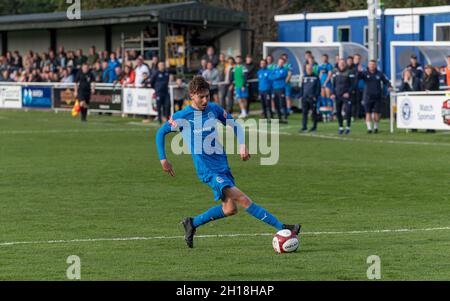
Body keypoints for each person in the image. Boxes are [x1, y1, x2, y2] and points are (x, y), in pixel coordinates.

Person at [155, 76, 301, 249]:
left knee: (229, 209)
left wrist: (242, 145)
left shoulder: (213, 109)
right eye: (201, 97)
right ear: (192, 95)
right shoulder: (182, 116)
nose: (205, 100)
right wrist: (163, 159)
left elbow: (236, 125)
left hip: (222, 166)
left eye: (207, 96)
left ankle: (192, 223)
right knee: (243, 198)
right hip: (208, 171)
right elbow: (160, 133)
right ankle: (282, 227)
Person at [358, 60, 392, 134]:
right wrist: (359, 72)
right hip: (367, 96)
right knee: (368, 113)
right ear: (368, 65)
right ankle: (369, 129)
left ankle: (376, 127)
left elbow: (386, 81)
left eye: (373, 64)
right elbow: (359, 77)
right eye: (370, 64)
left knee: (376, 113)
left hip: (377, 96)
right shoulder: (365, 73)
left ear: (375, 65)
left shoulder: (379, 74)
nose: (372, 66)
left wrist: (389, 86)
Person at [331, 59, 354, 135]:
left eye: (343, 63)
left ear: (345, 64)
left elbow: (353, 84)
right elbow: (333, 84)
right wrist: (333, 93)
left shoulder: (349, 72)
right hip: (338, 95)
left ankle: (348, 127)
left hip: (346, 95)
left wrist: (348, 92)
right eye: (340, 63)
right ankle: (340, 127)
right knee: (338, 111)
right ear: (338, 64)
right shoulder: (335, 72)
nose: (342, 65)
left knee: (348, 111)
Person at [299, 64, 321, 133]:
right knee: (304, 113)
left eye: (310, 69)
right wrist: (301, 95)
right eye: (307, 69)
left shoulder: (316, 77)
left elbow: (318, 88)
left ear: (312, 69)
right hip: (305, 98)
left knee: (314, 113)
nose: (309, 70)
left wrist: (315, 96)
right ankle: (304, 127)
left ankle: (314, 127)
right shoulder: (304, 77)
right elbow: (302, 87)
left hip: (312, 98)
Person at [269, 57, 289, 124]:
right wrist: (275, 76)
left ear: (283, 63)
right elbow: (270, 77)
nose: (280, 63)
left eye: (282, 62)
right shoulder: (275, 69)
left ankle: (285, 116)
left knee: (282, 103)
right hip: (275, 88)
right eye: (279, 62)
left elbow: (279, 76)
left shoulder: (284, 70)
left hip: (281, 88)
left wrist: (275, 76)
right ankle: (279, 117)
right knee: (276, 103)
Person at [318, 54, 334, 122]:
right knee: (323, 98)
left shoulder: (329, 65)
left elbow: (330, 74)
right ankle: (324, 114)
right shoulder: (320, 66)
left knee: (328, 98)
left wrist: (325, 82)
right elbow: (319, 74)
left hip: (327, 83)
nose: (324, 59)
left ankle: (330, 113)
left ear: (327, 58)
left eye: (325, 58)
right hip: (321, 84)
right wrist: (320, 82)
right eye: (323, 58)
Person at [353, 53, 366, 119]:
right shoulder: (352, 67)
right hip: (355, 87)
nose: (357, 60)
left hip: (362, 87)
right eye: (356, 58)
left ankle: (362, 115)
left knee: (363, 101)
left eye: (358, 59)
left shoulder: (363, 67)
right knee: (355, 102)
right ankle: (356, 115)